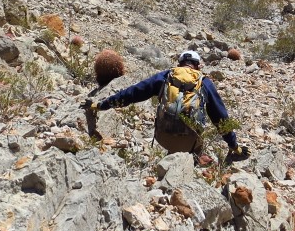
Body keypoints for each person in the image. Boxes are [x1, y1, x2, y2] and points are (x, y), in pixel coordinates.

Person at [85, 50, 249, 162]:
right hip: (190, 143)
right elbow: (221, 118)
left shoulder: (166, 76)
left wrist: (101, 105)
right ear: (198, 66)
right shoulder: (204, 82)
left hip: (163, 138)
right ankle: (191, 163)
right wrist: (234, 146)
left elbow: (132, 93)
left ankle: (170, 160)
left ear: (179, 64)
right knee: (198, 138)